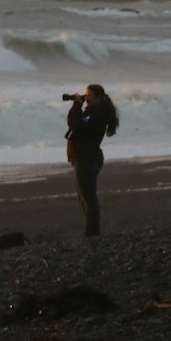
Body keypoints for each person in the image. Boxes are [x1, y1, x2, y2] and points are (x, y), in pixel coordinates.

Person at [65, 82, 119, 237]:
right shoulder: (92, 112)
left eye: (89, 95)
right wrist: (78, 105)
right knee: (84, 197)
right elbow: (77, 124)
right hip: (86, 158)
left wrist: (76, 105)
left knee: (88, 198)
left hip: (87, 159)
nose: (86, 98)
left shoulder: (95, 115)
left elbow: (75, 124)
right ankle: (92, 230)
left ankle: (93, 232)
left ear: (98, 98)